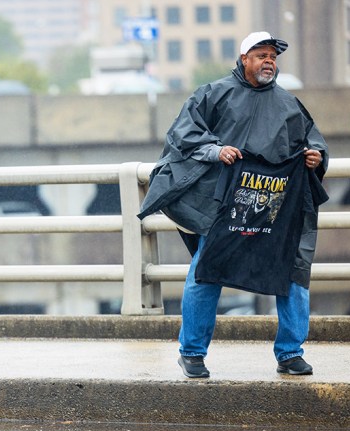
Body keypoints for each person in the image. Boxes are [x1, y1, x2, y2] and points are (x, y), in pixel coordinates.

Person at [137, 32, 329, 378]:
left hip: (274, 207)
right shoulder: (213, 94)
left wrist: (316, 157)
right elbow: (183, 136)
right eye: (261, 55)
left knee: (293, 273)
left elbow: (312, 141)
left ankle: (290, 352)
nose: (269, 61)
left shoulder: (289, 104)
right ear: (244, 59)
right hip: (227, 206)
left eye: (272, 56)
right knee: (206, 272)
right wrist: (216, 150)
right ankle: (192, 352)